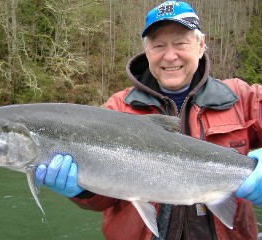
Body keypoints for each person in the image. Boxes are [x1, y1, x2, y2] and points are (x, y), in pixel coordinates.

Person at [35, 1, 262, 239]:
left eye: (180, 43)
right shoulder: (117, 109)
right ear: (147, 51)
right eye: (158, 46)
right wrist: (82, 191)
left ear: (201, 45)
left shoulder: (242, 98)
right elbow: (105, 199)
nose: (170, 56)